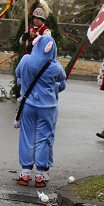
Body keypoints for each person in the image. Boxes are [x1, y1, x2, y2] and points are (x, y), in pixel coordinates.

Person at [14, 34, 66, 187]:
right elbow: (62, 79)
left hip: (29, 105)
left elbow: (18, 74)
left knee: (27, 137)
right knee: (43, 139)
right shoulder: (54, 66)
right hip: (48, 107)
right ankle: (40, 174)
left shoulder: (25, 60)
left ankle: (25, 172)